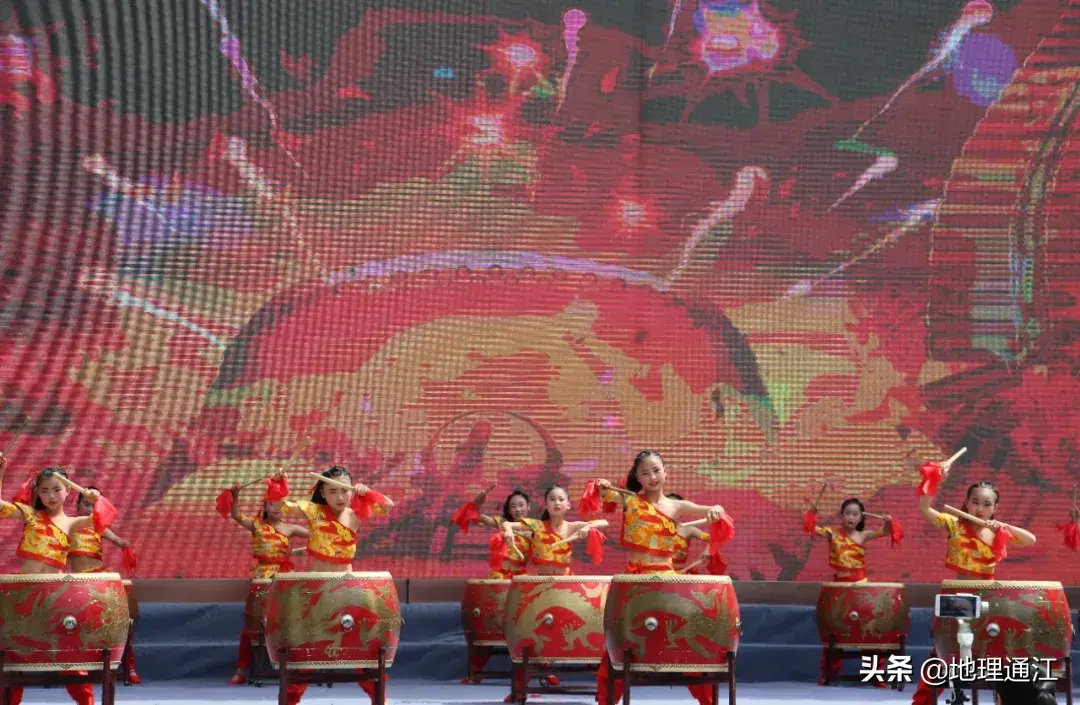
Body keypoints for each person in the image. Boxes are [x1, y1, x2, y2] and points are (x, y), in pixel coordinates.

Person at [592, 450, 729, 705]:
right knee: (620, 640)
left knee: (687, 637)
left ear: (666, 472)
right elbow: (604, 495)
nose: (652, 477)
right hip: (635, 579)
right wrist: (601, 486)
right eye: (645, 473)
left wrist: (716, 509)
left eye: (656, 470)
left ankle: (707, 699)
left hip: (666, 579)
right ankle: (606, 700)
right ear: (638, 478)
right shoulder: (630, 500)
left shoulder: (677, 506)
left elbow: (712, 510)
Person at [911, 458, 1037, 705]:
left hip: (988, 595)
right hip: (958, 594)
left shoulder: (999, 532)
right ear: (967, 503)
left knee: (996, 649)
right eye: (975, 502)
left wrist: (1003, 525)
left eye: (987, 504)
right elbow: (925, 508)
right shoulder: (954, 524)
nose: (980, 508)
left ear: (995, 508)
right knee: (944, 650)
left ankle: (1003, 698)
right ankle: (930, 699)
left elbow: (1030, 539)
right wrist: (935, 479)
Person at [272, 466, 394, 705]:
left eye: (344, 491)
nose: (340, 497)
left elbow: (388, 505)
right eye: (333, 491)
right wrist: (278, 483)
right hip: (316, 589)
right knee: (305, 652)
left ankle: (380, 700)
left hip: (347, 590)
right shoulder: (313, 510)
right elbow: (279, 506)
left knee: (362, 651)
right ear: (322, 493)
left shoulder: (355, 512)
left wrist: (367, 492)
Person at [0, 457, 114, 705]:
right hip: (24, 593)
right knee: (12, 659)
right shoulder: (30, 515)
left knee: (69, 658)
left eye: (56, 489)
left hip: (54, 596)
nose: (50, 496)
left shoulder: (73, 523)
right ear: (37, 493)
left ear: (68, 490)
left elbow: (101, 520)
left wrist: (95, 499)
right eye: (44, 490)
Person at [226, 480, 309, 685]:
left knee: (291, 620)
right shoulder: (257, 525)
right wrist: (235, 497)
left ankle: (300, 667)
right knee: (253, 623)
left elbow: (317, 535)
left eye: (281, 504)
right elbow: (236, 515)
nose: (278, 508)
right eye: (273, 504)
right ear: (265, 506)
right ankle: (241, 670)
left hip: (284, 578)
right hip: (262, 577)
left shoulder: (290, 528)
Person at [805, 497, 894, 686]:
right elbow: (812, 528)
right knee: (835, 630)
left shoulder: (863, 536)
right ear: (842, 516)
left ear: (861, 517)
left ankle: (874, 674)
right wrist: (811, 514)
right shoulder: (832, 534)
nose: (851, 517)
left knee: (869, 630)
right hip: (839, 588)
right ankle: (829, 673)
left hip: (861, 588)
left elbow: (885, 531)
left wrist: (888, 522)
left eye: (855, 514)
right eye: (847, 513)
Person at [68, 486, 140, 684]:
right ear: (77, 504)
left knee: (122, 617)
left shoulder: (98, 526)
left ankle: (128, 666)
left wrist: (124, 544)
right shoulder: (67, 525)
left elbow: (118, 540)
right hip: (78, 582)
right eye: (86, 504)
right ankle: (79, 665)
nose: (89, 509)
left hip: (98, 579)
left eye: (94, 506)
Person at [500, 486, 609, 576]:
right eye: (552, 499)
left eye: (561, 499)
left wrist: (587, 527)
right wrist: (508, 531)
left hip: (565, 582)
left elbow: (604, 522)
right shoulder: (537, 526)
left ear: (568, 505)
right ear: (546, 505)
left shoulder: (571, 527)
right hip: (542, 583)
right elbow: (507, 524)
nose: (557, 503)